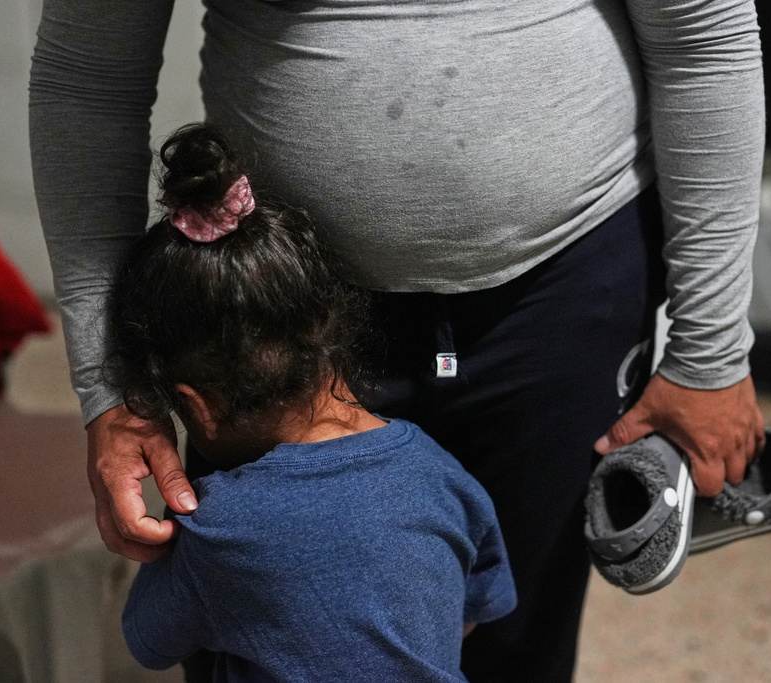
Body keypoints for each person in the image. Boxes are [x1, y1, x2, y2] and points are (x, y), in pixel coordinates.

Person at [29, 0, 767, 679]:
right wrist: (112, 389)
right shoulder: (245, 455)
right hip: (267, 322)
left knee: (523, 649)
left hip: (565, 287)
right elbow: (86, 75)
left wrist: (709, 354)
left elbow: (705, 36)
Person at [113, 123, 517, 681]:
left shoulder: (220, 525)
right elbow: (474, 607)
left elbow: (150, 640)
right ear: (330, 329)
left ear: (196, 406)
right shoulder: (440, 472)